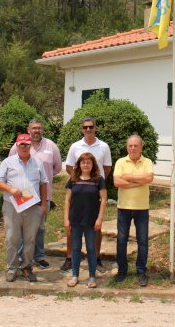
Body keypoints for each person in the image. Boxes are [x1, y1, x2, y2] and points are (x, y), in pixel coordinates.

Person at [7, 118, 62, 269]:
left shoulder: (51, 146)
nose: (36, 131)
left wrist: (44, 178)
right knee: (20, 228)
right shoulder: (18, 146)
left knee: (40, 228)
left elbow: (57, 167)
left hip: (43, 195)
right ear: (28, 129)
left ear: (42, 129)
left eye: (39, 128)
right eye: (34, 128)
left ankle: (38, 256)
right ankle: (20, 258)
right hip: (23, 194)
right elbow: (9, 166)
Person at [0, 133, 49, 283]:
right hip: (12, 206)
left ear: (31, 146)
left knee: (30, 239)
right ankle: (12, 268)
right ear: (17, 146)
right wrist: (11, 189)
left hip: (32, 207)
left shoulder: (38, 163)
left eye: (27, 145)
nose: (24, 147)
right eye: (21, 145)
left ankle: (26, 267)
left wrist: (44, 205)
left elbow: (44, 183)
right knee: (12, 238)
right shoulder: (8, 162)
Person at [61, 117, 112, 273]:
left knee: (96, 226)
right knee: (72, 225)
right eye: (85, 127)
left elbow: (107, 168)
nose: (88, 129)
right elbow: (69, 166)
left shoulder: (103, 146)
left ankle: (96, 258)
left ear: (95, 128)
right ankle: (70, 258)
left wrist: (95, 180)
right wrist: (78, 178)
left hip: (94, 192)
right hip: (78, 190)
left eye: (91, 127)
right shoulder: (75, 146)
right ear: (82, 128)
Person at [113, 135, 154, 287]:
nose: (133, 148)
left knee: (142, 241)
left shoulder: (147, 162)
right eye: (130, 145)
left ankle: (141, 270)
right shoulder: (120, 162)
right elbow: (117, 181)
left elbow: (149, 178)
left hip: (142, 208)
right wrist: (138, 182)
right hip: (123, 207)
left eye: (136, 145)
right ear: (127, 147)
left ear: (141, 147)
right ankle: (122, 270)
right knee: (121, 241)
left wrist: (128, 178)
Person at [64, 152, 107, 289]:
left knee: (91, 249)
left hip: (91, 220)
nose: (86, 164)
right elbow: (67, 200)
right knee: (75, 248)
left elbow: (104, 199)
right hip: (75, 220)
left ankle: (92, 277)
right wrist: (66, 219)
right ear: (79, 164)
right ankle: (75, 276)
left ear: (93, 164)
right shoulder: (73, 179)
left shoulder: (98, 179)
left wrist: (100, 218)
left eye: (88, 162)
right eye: (83, 162)